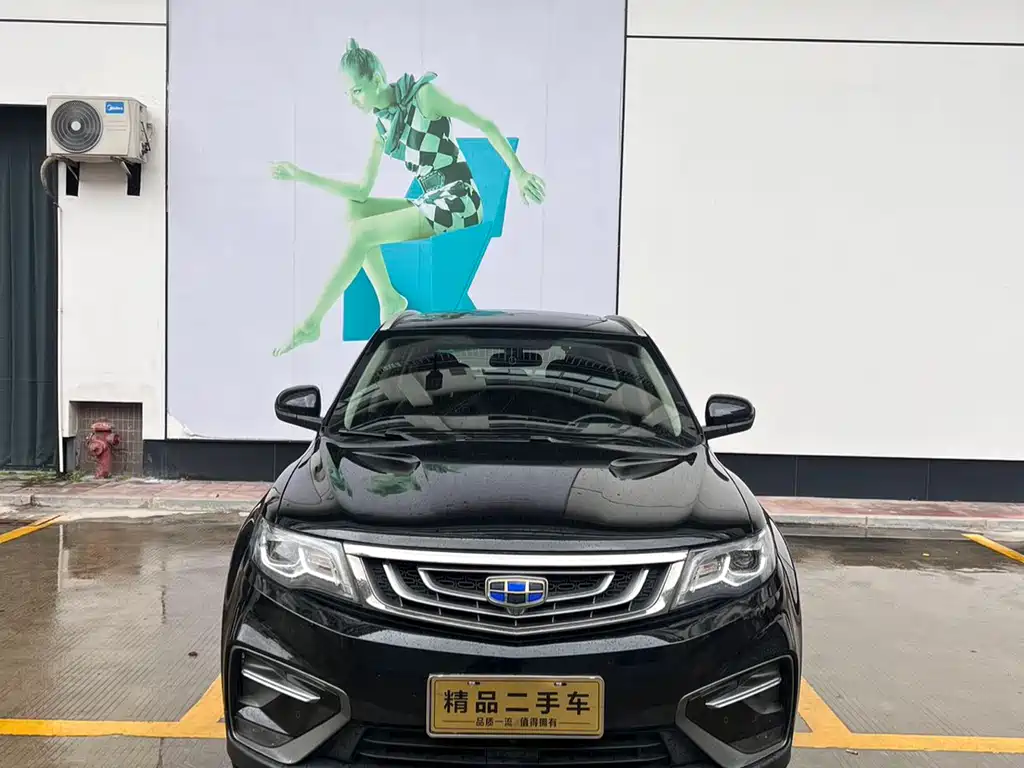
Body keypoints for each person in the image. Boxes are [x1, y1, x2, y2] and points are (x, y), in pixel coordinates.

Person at [269, 38, 547, 357]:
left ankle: (312, 323)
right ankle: (388, 297)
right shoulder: (382, 126)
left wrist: (520, 172)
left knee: (361, 233)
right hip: (430, 200)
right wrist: (301, 175)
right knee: (355, 210)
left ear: (376, 78)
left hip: (459, 199)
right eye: (347, 94)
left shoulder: (424, 97)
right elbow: (361, 191)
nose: (352, 101)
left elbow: (485, 124)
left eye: (357, 90)